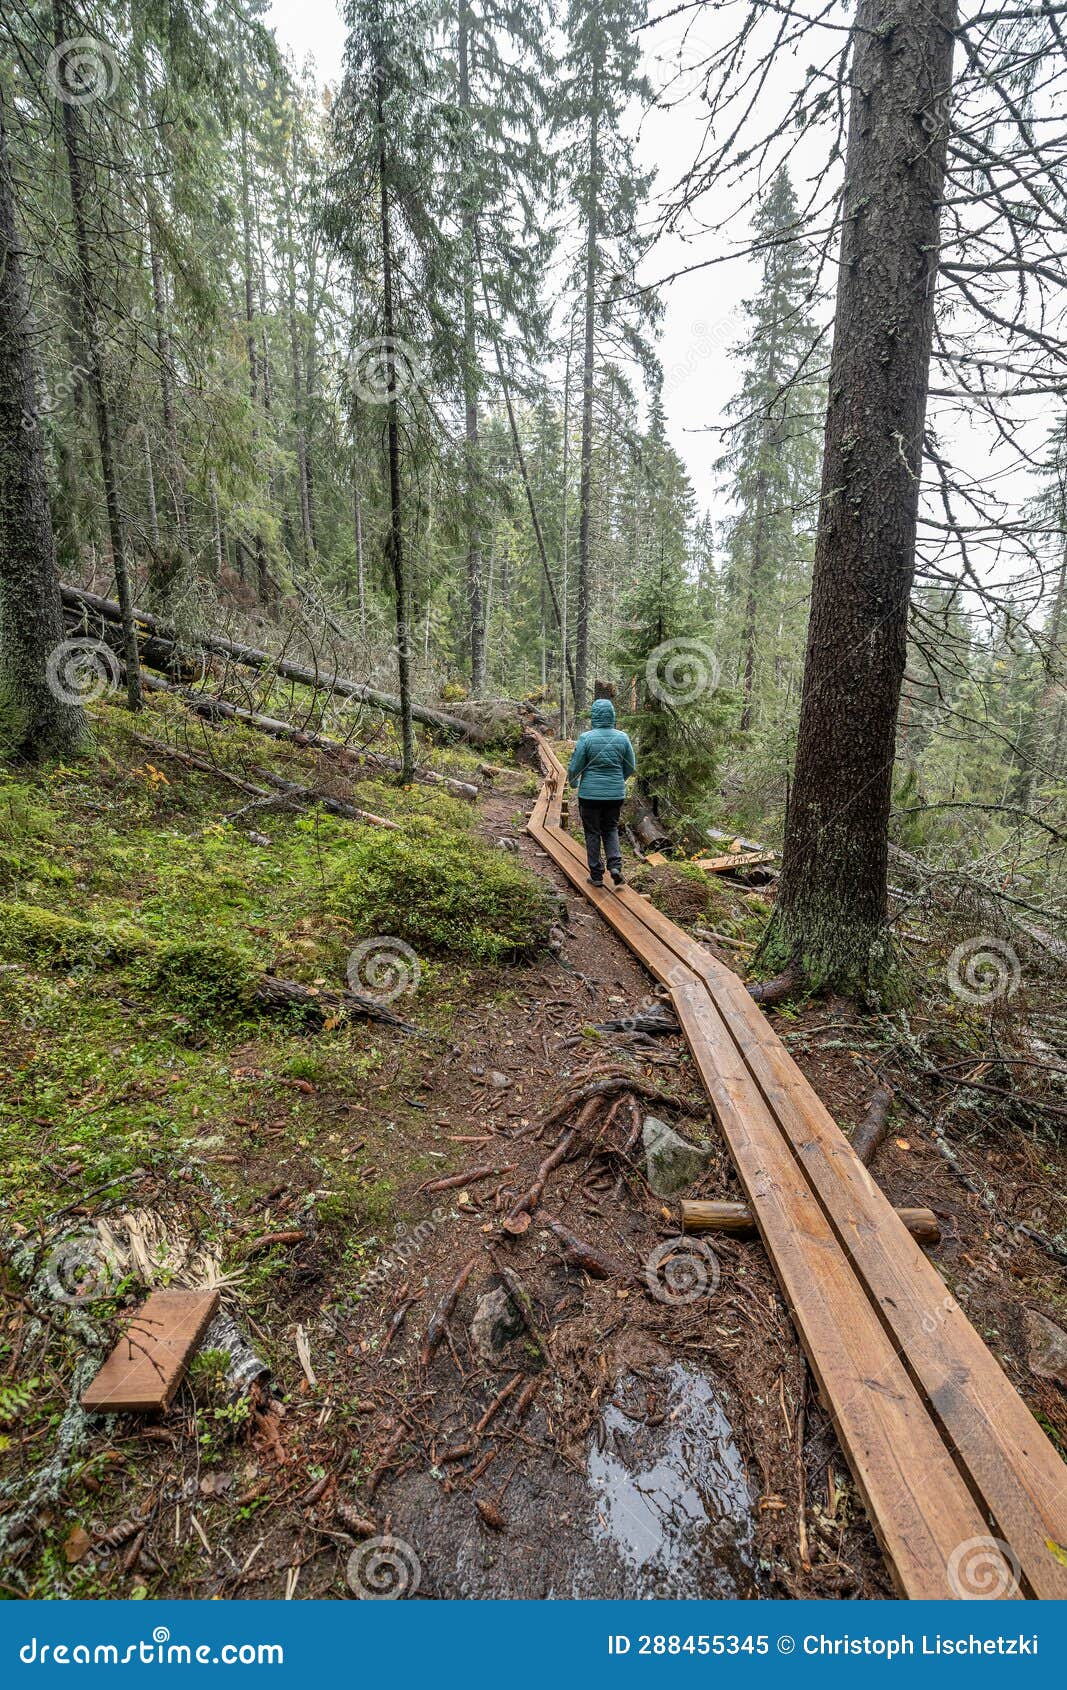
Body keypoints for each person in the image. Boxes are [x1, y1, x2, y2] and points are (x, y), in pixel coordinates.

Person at [566, 696, 636, 888]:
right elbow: (631, 766)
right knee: (610, 829)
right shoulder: (623, 737)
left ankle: (597, 875)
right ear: (612, 715)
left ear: (594, 716)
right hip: (615, 795)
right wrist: (617, 780)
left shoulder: (586, 738)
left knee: (592, 832)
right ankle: (615, 867)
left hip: (589, 795)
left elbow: (575, 766)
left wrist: (573, 782)